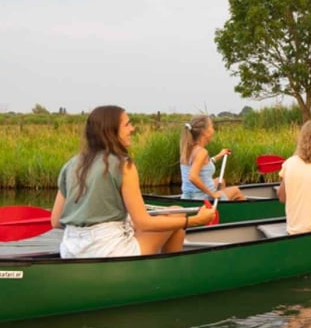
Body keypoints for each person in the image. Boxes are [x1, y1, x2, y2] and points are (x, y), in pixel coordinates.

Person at [51, 105, 215, 258]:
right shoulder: (123, 164)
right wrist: (194, 220)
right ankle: (170, 276)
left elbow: (56, 221)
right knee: (177, 216)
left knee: (174, 212)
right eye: (127, 124)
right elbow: (143, 223)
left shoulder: (71, 165)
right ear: (111, 131)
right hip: (108, 249)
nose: (132, 129)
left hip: (69, 250)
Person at [179, 115, 245, 201]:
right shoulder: (202, 152)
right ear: (204, 132)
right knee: (236, 191)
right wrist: (212, 194)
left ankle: (220, 207)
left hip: (187, 196)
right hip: (201, 197)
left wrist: (219, 156)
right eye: (212, 127)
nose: (213, 130)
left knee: (219, 181)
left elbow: (203, 165)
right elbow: (192, 177)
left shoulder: (187, 149)